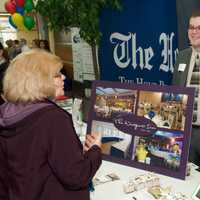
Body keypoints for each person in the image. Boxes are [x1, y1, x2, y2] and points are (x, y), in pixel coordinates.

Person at [0, 49, 102, 200]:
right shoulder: (53, 119)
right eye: (57, 75)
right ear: (39, 80)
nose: (64, 78)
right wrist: (95, 151)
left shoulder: (5, 113)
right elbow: (76, 176)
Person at [172, 10, 200, 166]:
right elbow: (174, 91)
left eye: (199, 28)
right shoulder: (182, 57)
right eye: (191, 27)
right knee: (189, 181)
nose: (194, 32)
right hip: (186, 131)